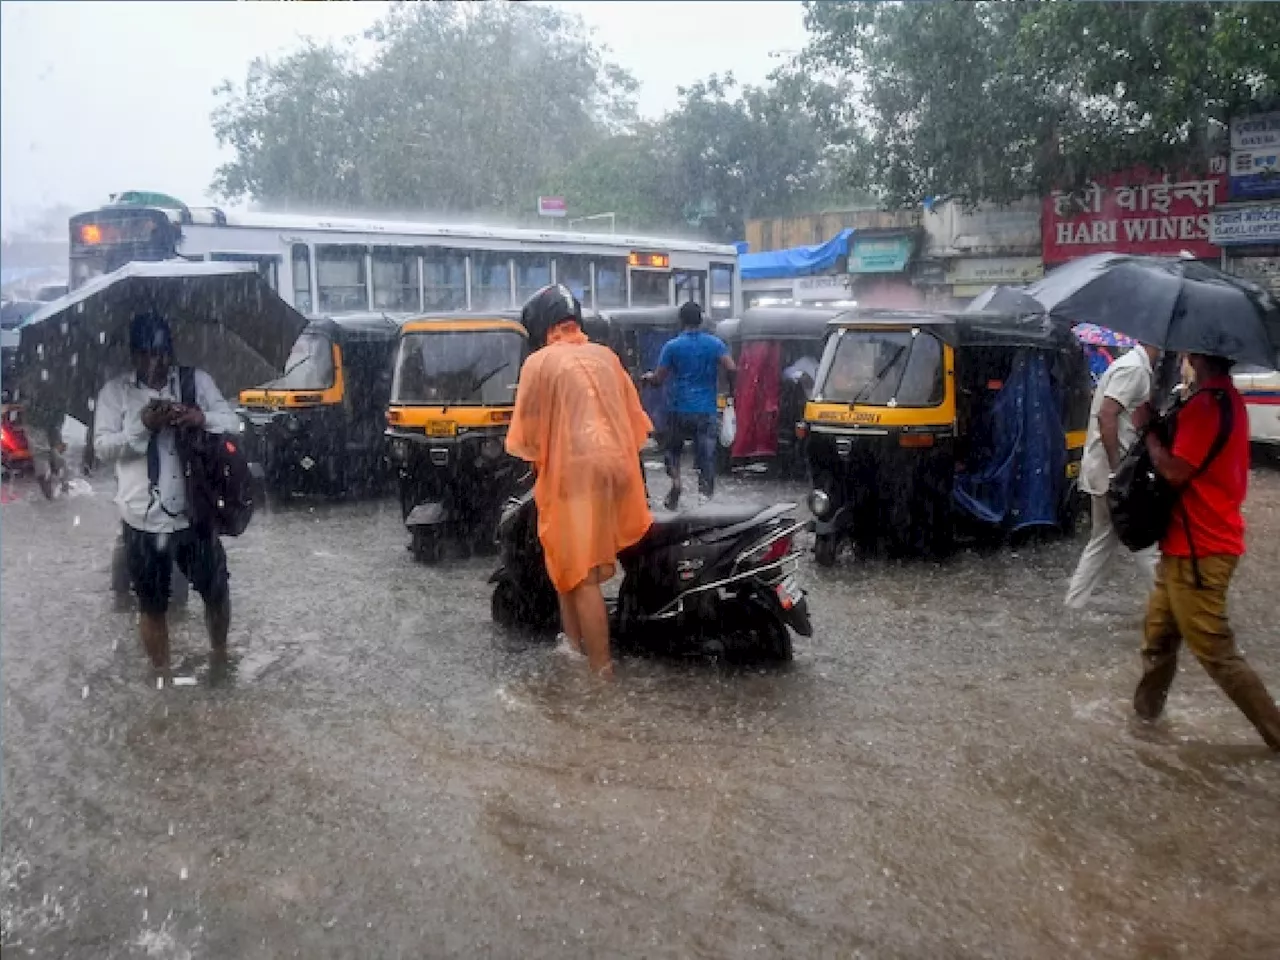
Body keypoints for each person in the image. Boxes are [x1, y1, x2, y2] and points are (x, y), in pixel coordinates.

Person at [1131, 352, 1280, 750]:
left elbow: (1176, 471)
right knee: (1158, 639)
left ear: (1197, 356)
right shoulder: (1225, 398)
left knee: (1216, 653)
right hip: (1189, 546)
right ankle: (1144, 725)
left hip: (1200, 551)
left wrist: (1147, 431)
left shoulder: (1206, 405)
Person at [506, 285, 654, 678]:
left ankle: (600, 673)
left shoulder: (540, 363)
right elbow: (633, 416)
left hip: (576, 472)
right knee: (566, 559)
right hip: (616, 467)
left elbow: (529, 433)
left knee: (583, 572)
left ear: (540, 324)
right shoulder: (605, 356)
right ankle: (571, 646)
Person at [94, 311, 241, 679]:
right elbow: (102, 449)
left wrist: (199, 418)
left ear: (170, 351)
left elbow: (234, 422)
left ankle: (221, 657)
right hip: (141, 518)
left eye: (160, 353)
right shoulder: (115, 393)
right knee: (152, 605)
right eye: (145, 354)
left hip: (195, 512)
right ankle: (162, 677)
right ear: (133, 354)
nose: (154, 362)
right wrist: (141, 427)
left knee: (216, 591)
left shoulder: (196, 382)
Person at [1064, 339, 1162, 609]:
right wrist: (1117, 468)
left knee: (1104, 538)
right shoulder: (1134, 369)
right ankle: (1171, 610)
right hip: (1115, 473)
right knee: (1144, 540)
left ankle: (1076, 601)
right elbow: (1107, 415)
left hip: (1107, 471)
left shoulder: (1134, 366)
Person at [641, 301, 736, 510]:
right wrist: (731, 392)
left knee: (672, 450)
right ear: (701, 320)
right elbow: (731, 367)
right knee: (706, 454)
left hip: (678, 408)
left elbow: (659, 378)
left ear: (681, 321)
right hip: (705, 410)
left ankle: (676, 482)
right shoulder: (715, 344)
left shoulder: (672, 346)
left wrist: (648, 379)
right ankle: (705, 498)